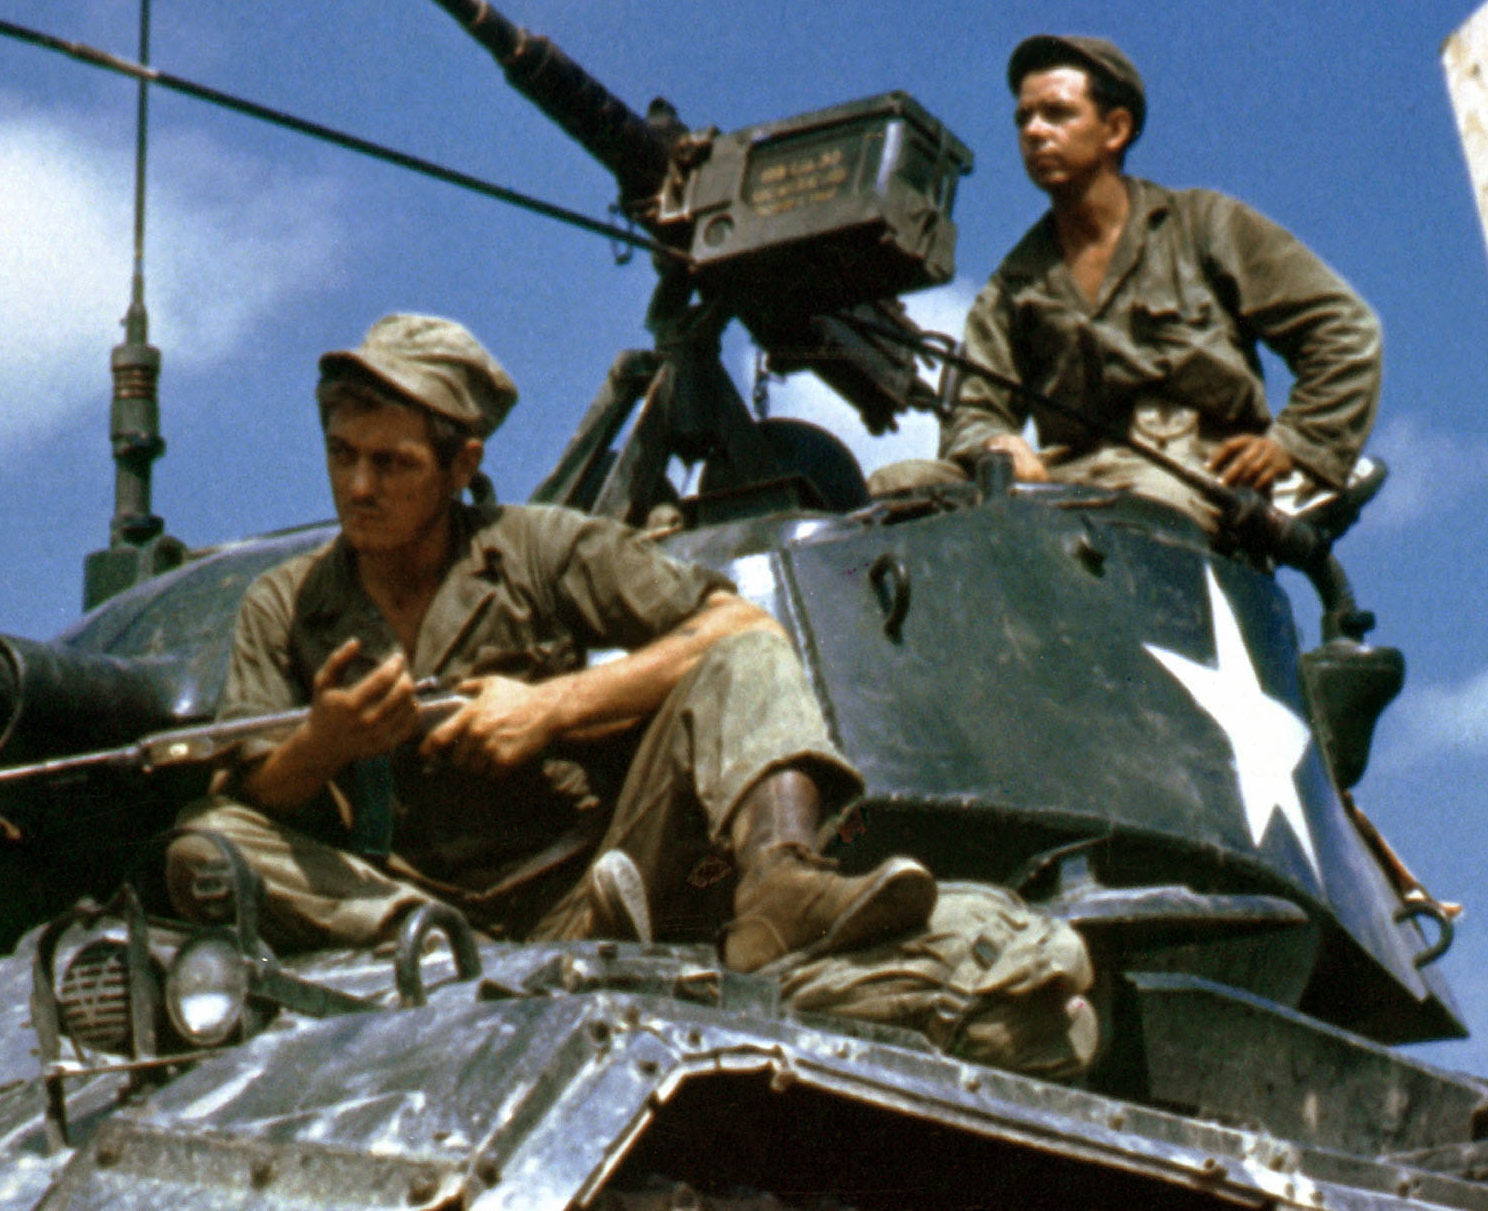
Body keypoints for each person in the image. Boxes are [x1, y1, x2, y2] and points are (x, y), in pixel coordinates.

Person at [166, 314, 933, 972]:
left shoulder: (538, 549)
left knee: (744, 659)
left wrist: (549, 709)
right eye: (343, 455)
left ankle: (782, 889)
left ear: (462, 466)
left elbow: (742, 624)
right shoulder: (287, 603)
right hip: (400, 907)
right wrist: (324, 744)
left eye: (392, 463)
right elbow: (250, 792)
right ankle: (444, 954)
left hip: (599, 884)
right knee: (204, 845)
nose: (359, 488)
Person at [940, 36, 1381, 527]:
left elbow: (1344, 329)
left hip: (1196, 473)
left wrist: (1295, 445)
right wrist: (996, 442)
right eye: (1024, 119)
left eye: (1057, 113)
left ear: (1115, 129)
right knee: (902, 488)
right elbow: (974, 409)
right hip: (1067, 479)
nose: (1034, 131)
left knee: (1141, 513)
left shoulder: (1203, 225)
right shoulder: (1014, 285)